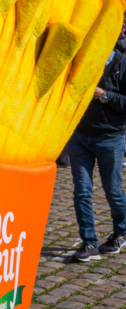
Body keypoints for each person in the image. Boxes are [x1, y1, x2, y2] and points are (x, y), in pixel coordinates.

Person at [66, 44, 126, 262]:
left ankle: (121, 232)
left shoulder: (122, 63)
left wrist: (104, 95)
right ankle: (89, 242)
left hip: (110, 138)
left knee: (113, 190)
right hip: (79, 136)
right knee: (81, 191)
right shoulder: (81, 58)